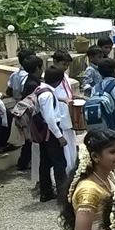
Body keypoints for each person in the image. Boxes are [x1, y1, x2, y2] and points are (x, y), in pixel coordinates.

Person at [36, 66, 69, 202]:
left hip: (44, 132)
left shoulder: (40, 89)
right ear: (58, 81)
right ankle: (62, 193)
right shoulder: (48, 95)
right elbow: (50, 118)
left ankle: (46, 192)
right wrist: (59, 136)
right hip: (51, 132)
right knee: (59, 162)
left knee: (45, 163)